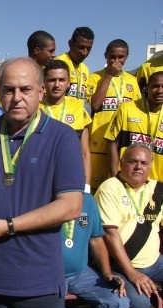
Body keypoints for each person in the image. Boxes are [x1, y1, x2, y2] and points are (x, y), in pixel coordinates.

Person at [0, 57, 85, 308]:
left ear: (41, 92)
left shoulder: (63, 138)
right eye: (8, 90)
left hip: (37, 277)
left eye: (26, 89)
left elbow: (71, 206)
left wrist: (9, 226)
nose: (16, 98)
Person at [95, 142, 163, 308]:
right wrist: (132, 273)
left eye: (143, 162)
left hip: (154, 262)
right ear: (121, 164)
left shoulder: (157, 190)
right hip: (121, 265)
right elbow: (110, 235)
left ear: (150, 166)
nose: (138, 167)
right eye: (132, 161)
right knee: (140, 305)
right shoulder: (110, 188)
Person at [62, 192, 129, 308]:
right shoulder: (41, 196)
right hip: (47, 275)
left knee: (118, 302)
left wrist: (107, 273)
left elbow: (96, 239)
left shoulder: (88, 200)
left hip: (80, 273)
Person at [86, 39, 141, 191]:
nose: (116, 61)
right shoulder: (95, 77)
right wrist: (108, 76)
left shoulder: (131, 80)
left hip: (122, 144)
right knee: (96, 188)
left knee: (119, 187)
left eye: (121, 57)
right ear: (105, 56)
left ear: (127, 57)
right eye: (112, 57)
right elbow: (95, 105)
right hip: (99, 142)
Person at [40, 59, 92, 192]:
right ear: (44, 83)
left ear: (69, 83)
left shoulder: (78, 108)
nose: (57, 85)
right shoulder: (35, 108)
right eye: (52, 80)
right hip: (43, 177)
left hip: (71, 177)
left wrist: (86, 187)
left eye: (61, 80)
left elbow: (85, 152)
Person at [104, 71, 163, 182]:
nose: (160, 91)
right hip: (125, 180)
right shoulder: (126, 109)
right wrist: (115, 179)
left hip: (156, 185)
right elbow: (112, 143)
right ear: (147, 88)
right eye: (155, 86)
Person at [56, 26, 94, 109]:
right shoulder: (58, 63)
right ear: (70, 43)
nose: (84, 53)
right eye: (81, 47)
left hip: (77, 119)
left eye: (88, 49)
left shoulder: (85, 69)